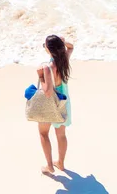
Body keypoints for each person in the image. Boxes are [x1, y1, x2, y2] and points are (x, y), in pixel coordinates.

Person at [37, 35, 74, 175]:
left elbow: (47, 92)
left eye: (44, 45)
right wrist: (64, 42)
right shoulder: (64, 59)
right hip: (64, 102)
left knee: (43, 133)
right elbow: (71, 47)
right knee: (61, 135)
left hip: (51, 104)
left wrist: (41, 75)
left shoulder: (48, 67)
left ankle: (49, 166)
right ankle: (61, 163)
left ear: (49, 49)